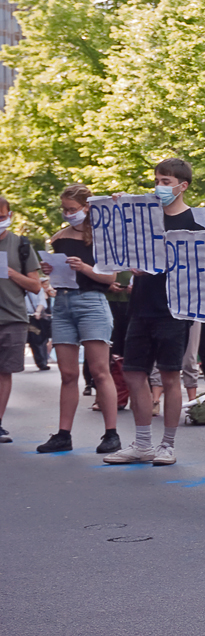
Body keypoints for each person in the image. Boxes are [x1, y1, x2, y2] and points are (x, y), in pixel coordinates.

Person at [104, 160, 204, 466]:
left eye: (165, 180)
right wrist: (119, 209)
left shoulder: (195, 221)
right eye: (157, 180)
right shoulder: (145, 219)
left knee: (170, 376)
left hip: (174, 309)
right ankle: (144, 442)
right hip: (141, 307)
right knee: (135, 374)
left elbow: (201, 267)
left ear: (182, 185)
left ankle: (167, 444)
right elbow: (119, 242)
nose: (158, 186)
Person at [37, 185, 120, 454]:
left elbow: (110, 278)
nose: (68, 214)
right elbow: (56, 272)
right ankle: (63, 433)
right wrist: (50, 269)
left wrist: (84, 267)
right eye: (65, 209)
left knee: (99, 371)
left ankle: (111, 433)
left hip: (91, 302)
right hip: (62, 302)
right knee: (68, 373)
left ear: (87, 207)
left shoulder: (102, 236)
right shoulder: (59, 237)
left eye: (72, 209)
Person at [0, 197, 43, 444]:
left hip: (13, 318)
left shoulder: (20, 244)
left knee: (5, 371)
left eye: (1, 217)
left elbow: (36, 286)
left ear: (10, 215)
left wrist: (11, 273)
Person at [26, 278, 51, 371]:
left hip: (35, 318)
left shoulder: (39, 290)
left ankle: (42, 361)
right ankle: (41, 361)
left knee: (39, 339)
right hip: (25, 316)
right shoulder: (20, 289)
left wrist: (37, 312)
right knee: (34, 340)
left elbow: (42, 302)